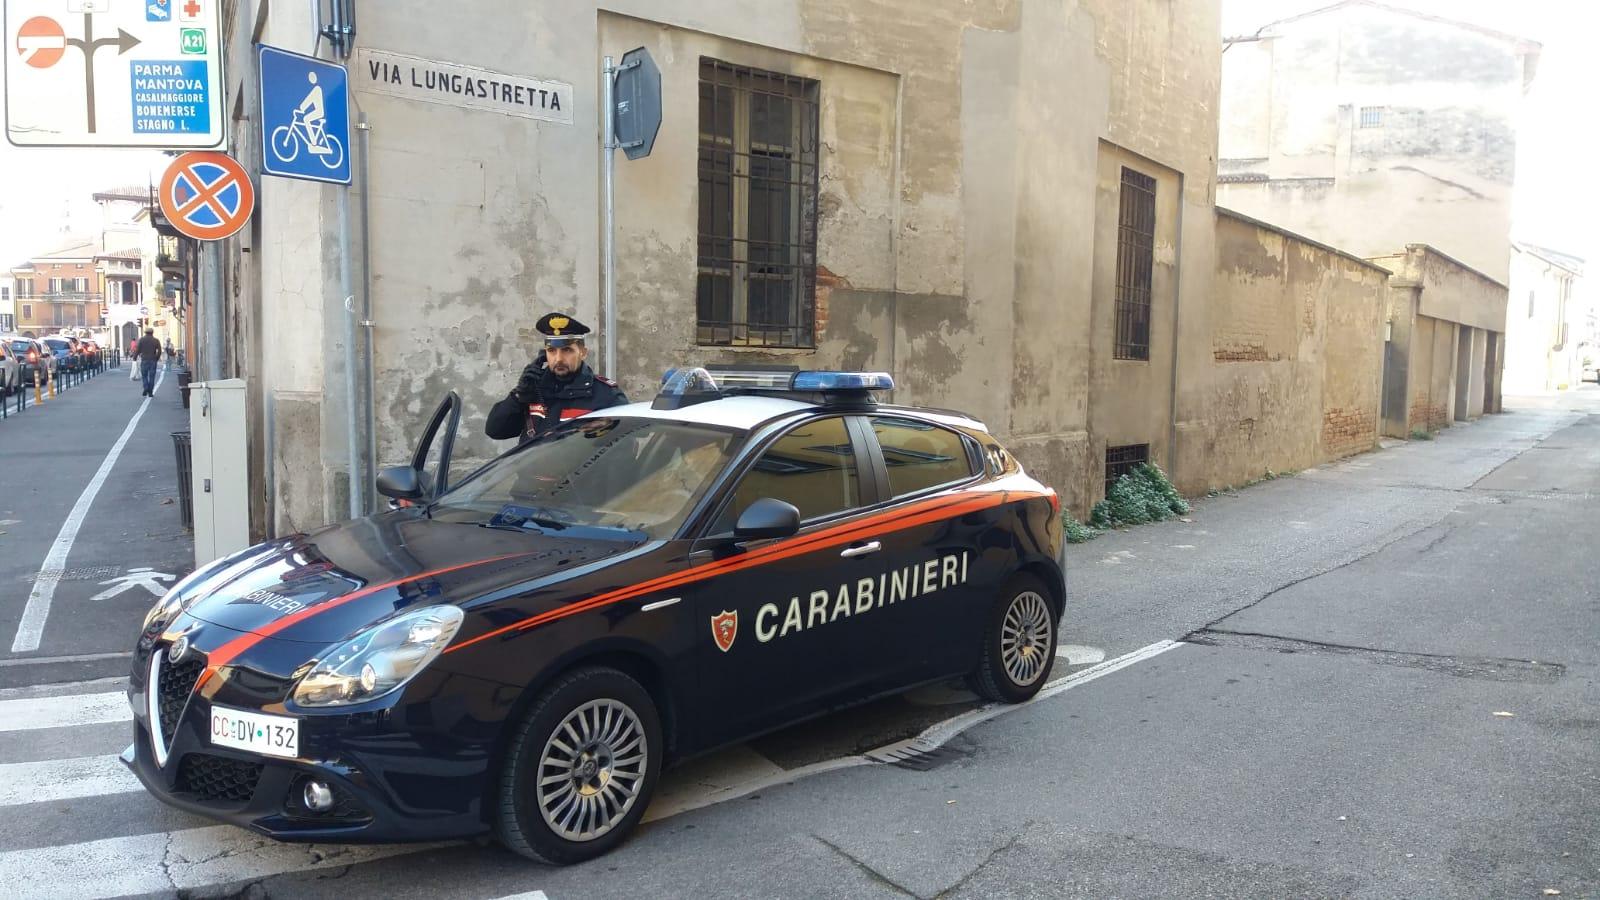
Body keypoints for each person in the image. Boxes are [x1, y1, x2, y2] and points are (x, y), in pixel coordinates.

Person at [485, 313, 628, 445]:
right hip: (533, 472)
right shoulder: (533, 389)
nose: (558, 359)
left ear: (583, 353)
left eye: (567, 350)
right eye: (551, 351)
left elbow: (625, 442)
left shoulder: (605, 393)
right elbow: (496, 431)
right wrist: (518, 397)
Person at [134, 327, 162, 397]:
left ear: (145, 333)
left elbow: (137, 350)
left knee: (144, 376)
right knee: (152, 376)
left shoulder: (141, 340)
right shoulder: (156, 340)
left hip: (144, 360)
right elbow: (159, 351)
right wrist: (157, 358)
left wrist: (135, 357)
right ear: (152, 333)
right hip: (153, 360)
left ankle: (146, 387)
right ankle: (150, 392)